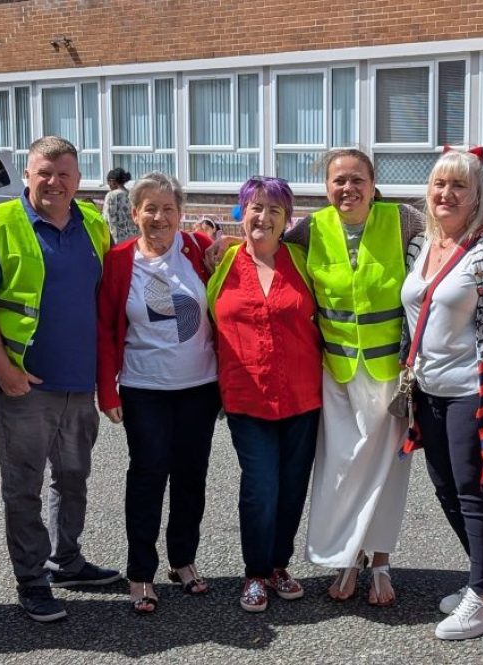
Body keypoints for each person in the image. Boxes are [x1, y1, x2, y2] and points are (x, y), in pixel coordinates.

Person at [0, 136, 121, 624]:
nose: (54, 182)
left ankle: (66, 560)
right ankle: (31, 579)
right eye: (44, 173)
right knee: (24, 484)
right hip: (24, 385)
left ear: (78, 179)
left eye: (65, 174)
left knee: (73, 478)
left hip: (80, 380)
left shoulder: (93, 224)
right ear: (27, 175)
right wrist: (4, 368)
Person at [280, 148, 424, 606]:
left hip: (391, 376)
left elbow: (450, 237)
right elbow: (266, 256)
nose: (348, 188)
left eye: (357, 179)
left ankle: (379, 562)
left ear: (373, 181)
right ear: (326, 187)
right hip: (337, 374)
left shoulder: (403, 220)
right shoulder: (308, 230)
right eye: (338, 180)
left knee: (388, 472)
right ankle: (346, 558)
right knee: (340, 471)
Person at [399, 150, 483, 639]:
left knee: (477, 493)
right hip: (428, 391)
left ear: (478, 195)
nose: (446, 194)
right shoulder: (419, 245)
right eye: (438, 184)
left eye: (458, 186)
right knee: (446, 490)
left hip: (474, 392)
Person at [96, 171, 219, 614]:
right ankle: (141, 572)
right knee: (148, 475)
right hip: (143, 386)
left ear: (180, 214)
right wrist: (105, 390)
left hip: (200, 388)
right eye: (150, 208)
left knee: (191, 477)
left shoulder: (200, 250)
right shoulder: (118, 261)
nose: (160, 217)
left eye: (169, 209)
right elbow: (107, 329)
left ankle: (183, 560)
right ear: (134, 214)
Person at [205, 176, 321, 613]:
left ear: (287, 219)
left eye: (275, 210)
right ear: (242, 213)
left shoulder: (305, 260)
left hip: (303, 396)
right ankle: (254, 572)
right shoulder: (220, 262)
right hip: (246, 397)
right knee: (260, 486)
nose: (264, 217)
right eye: (255, 207)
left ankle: (278, 566)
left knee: (292, 487)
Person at [104, 166, 136, 242]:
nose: (109, 185)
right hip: (131, 239)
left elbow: (106, 219)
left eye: (108, 182)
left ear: (112, 181)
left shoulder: (111, 195)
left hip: (116, 239)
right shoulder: (131, 195)